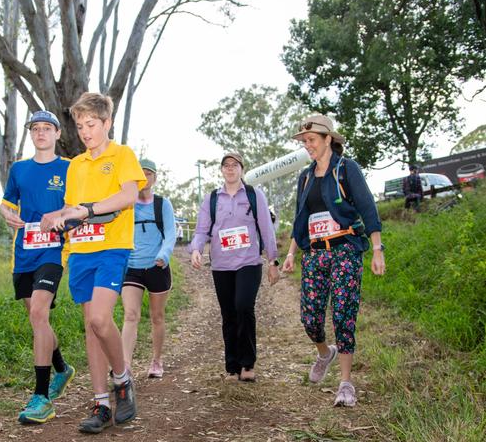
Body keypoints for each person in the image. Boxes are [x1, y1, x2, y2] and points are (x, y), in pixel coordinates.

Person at [42, 93, 146, 434]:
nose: (85, 132)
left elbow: (129, 195)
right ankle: (101, 402)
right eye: (80, 126)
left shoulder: (122, 155)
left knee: (102, 319)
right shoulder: (75, 166)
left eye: (92, 125)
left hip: (113, 247)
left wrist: (88, 210)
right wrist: (54, 217)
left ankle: (122, 378)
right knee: (91, 326)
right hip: (81, 252)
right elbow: (72, 212)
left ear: (107, 123)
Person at [282, 114, 386, 407]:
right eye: (304, 142)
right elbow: (300, 219)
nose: (307, 146)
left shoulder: (346, 169)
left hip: (344, 250)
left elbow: (367, 207)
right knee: (310, 317)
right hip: (315, 254)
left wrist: (377, 249)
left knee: (343, 314)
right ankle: (324, 353)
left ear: (328, 139)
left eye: (311, 140)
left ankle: (345, 383)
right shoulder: (304, 177)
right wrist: (291, 253)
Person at [0, 110, 75, 424]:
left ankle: (41, 397)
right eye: (36, 128)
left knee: (38, 314)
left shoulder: (70, 168)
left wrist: (58, 214)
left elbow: (78, 206)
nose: (41, 133)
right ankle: (62, 368)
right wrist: (6, 214)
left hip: (54, 252)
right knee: (38, 321)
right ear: (31, 134)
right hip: (23, 253)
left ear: (57, 134)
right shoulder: (18, 169)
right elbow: (7, 202)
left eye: (47, 128)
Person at [189, 152, 280, 383]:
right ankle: (232, 367)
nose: (230, 169)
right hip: (221, 265)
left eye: (235, 165)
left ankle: (247, 363)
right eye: (226, 166)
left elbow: (267, 229)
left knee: (243, 306)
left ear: (242, 169)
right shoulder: (212, 199)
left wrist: (272, 261)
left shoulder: (253, 195)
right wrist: (197, 249)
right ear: (221, 170)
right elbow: (202, 230)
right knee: (228, 314)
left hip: (248, 262)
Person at [121, 158, 176, 379]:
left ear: (154, 178)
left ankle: (156, 360)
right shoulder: (126, 203)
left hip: (157, 267)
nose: (144, 177)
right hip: (131, 267)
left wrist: (164, 255)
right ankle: (125, 366)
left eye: (149, 173)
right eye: (140, 173)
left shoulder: (162, 204)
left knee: (157, 317)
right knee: (130, 315)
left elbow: (170, 234)